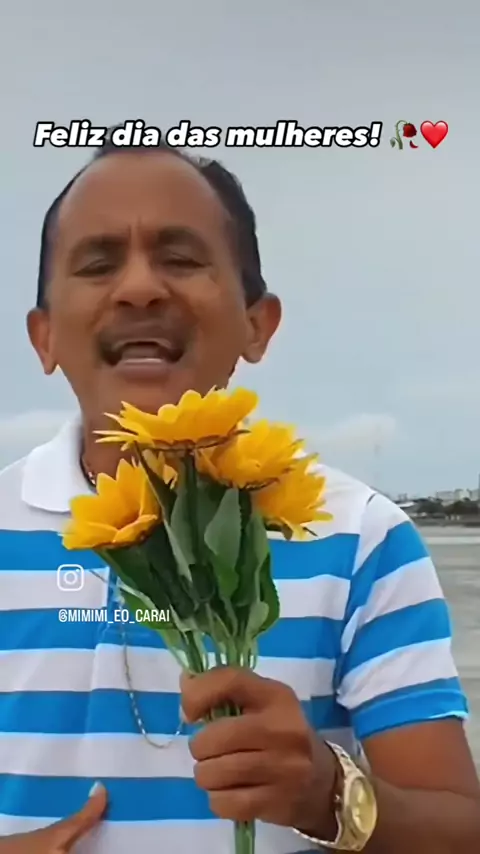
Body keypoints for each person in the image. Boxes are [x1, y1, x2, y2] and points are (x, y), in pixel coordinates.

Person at [0, 135, 478, 854]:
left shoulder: (358, 538)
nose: (139, 288)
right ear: (43, 338)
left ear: (259, 323)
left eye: (181, 259)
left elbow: (461, 829)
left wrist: (329, 793)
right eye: (98, 264)